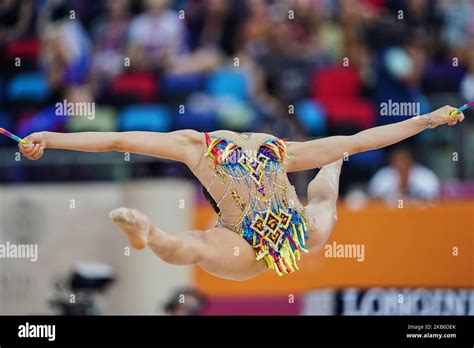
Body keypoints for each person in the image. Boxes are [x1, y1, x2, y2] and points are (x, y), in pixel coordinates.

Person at [18, 105, 464, 280]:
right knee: (328, 190)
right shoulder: (266, 149)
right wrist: (429, 120)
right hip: (273, 233)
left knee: (192, 246)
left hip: (267, 236)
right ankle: (148, 234)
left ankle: (150, 235)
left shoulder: (209, 145)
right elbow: (366, 139)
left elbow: (117, 140)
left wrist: (49, 138)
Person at [368, 147, 440, 203]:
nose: (401, 165)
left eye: (404, 160)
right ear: (392, 162)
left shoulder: (425, 176)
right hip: (390, 214)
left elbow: (433, 198)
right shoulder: (383, 175)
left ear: (411, 160)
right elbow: (373, 199)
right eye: (397, 161)